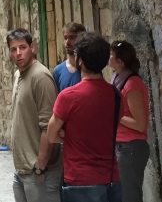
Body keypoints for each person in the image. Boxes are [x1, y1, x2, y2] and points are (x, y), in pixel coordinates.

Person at [46, 32, 121, 195]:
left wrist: (69, 135)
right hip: (110, 178)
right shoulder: (115, 95)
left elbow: (51, 135)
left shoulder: (68, 97)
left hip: (79, 179)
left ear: (80, 60)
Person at [8, 28, 61, 202]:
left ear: (32, 47)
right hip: (22, 169)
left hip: (39, 171)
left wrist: (40, 166)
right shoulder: (18, 74)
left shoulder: (41, 77)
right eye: (13, 49)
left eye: (22, 47)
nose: (18, 53)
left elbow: (49, 126)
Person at [109, 40, 150, 202]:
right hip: (121, 145)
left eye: (111, 55)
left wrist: (114, 114)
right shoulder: (117, 79)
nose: (108, 57)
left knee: (129, 196)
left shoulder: (131, 84)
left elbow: (140, 124)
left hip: (131, 147)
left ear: (120, 61)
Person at [53, 22, 86, 93]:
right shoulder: (58, 71)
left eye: (72, 38)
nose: (67, 42)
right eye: (65, 38)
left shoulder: (89, 68)